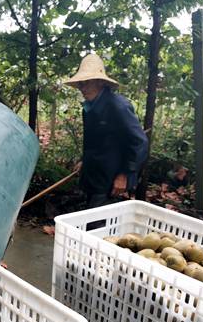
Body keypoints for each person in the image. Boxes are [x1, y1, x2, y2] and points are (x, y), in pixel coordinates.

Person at [63, 53, 148, 208]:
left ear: (100, 82)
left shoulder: (118, 107)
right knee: (88, 218)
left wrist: (124, 175)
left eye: (86, 83)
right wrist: (85, 161)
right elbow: (94, 143)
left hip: (111, 180)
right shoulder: (88, 108)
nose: (82, 88)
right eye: (80, 84)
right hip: (94, 176)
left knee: (98, 224)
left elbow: (139, 142)